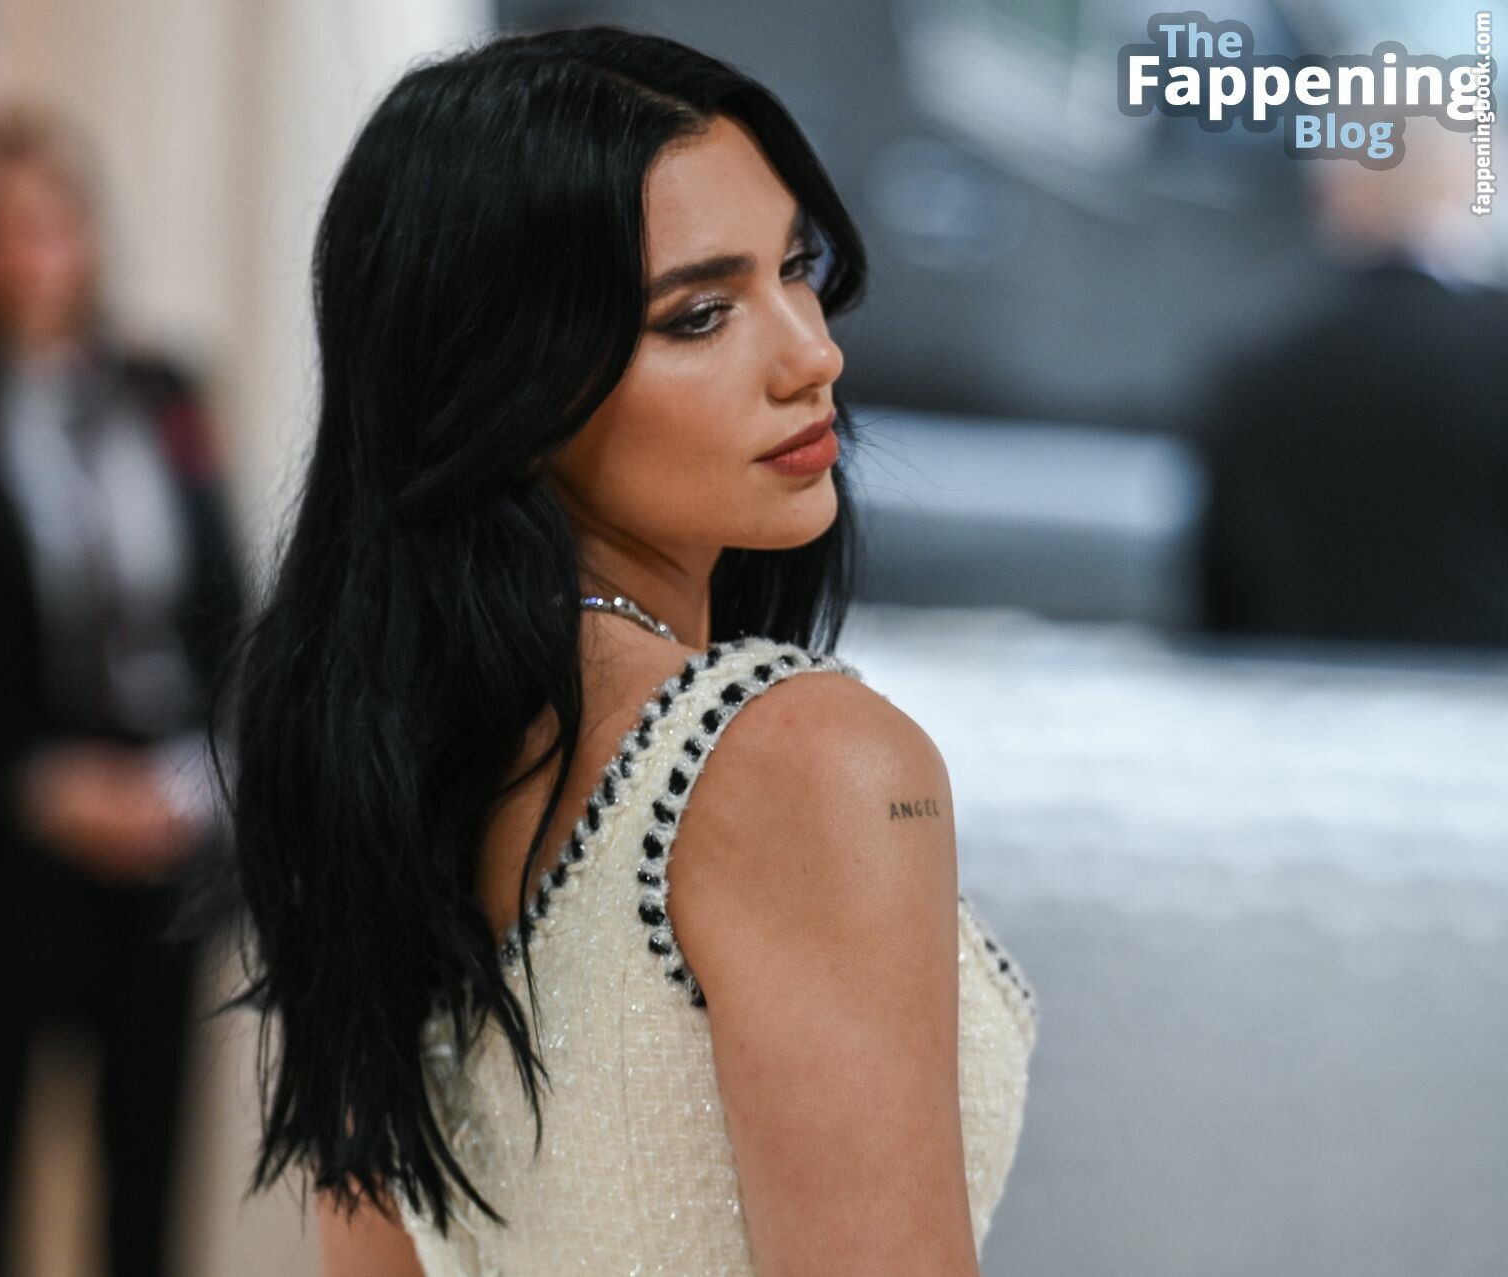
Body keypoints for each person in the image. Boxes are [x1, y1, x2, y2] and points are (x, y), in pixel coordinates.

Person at [172, 26, 1039, 1276]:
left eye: (798, 268)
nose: (814, 353)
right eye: (701, 314)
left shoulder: (382, 768)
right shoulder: (804, 760)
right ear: (506, 385)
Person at [0, 111, 245, 1277]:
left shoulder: (163, 391)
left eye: (55, 221)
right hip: (0, 850)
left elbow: (227, 610)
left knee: (145, 1200)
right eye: (5, 229)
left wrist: (197, 777)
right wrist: (39, 785)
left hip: (164, 840)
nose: (35, 251)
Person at [1196, 125, 1508, 649]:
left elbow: (1222, 595)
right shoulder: (1494, 350)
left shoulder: (1258, 363)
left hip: (1297, 686)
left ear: (1334, 191)